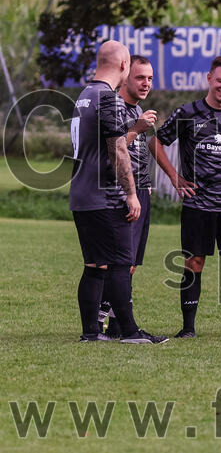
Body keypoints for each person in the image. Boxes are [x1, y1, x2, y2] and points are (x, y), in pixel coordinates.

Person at [153, 56, 221, 338]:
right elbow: (156, 140)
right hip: (197, 203)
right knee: (194, 263)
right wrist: (174, 177)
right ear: (209, 79)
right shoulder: (187, 113)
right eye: (220, 81)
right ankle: (188, 328)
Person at [69, 40, 166, 344]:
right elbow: (118, 150)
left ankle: (91, 333)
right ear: (125, 66)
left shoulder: (84, 96)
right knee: (121, 263)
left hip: (81, 194)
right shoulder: (108, 99)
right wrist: (132, 193)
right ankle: (130, 332)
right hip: (106, 195)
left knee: (95, 265)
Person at [98, 56, 157, 338]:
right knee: (118, 262)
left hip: (142, 191)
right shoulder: (116, 107)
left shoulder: (138, 108)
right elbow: (113, 150)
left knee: (130, 263)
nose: (146, 83)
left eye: (149, 78)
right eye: (140, 77)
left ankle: (119, 323)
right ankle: (101, 322)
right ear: (126, 77)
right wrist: (137, 129)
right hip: (122, 193)